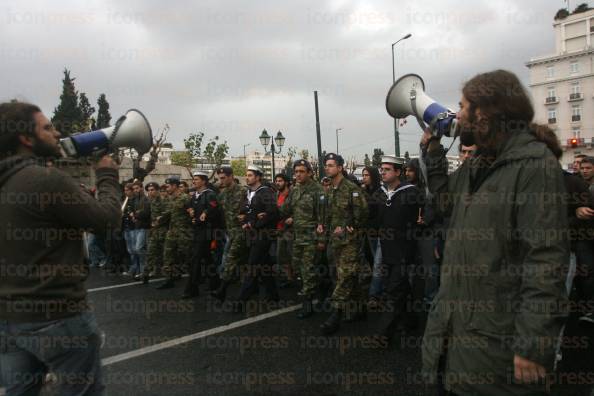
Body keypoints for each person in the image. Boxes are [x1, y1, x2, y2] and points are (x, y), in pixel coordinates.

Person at [420, 70, 569, 395]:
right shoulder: (477, 165)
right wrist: (433, 151)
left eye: (462, 107)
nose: (456, 115)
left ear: (486, 113)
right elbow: (446, 203)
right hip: (455, 330)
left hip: (495, 346)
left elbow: (545, 262)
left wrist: (532, 344)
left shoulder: (534, 166)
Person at [0, 101, 121, 394]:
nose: (56, 134)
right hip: (58, 316)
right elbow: (105, 221)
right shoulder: (44, 179)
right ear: (26, 138)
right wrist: (106, 175)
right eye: (47, 127)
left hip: (8, 319)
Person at [371, 156, 420, 341]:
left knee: (393, 290)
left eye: (387, 169)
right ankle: (410, 319)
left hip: (404, 251)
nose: (382, 171)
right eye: (381, 169)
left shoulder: (412, 192)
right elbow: (371, 217)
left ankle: (383, 333)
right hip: (386, 250)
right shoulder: (379, 193)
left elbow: (426, 214)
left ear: (398, 172)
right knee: (401, 288)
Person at [319, 153, 369, 335]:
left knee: (345, 276)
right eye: (326, 165)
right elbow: (329, 215)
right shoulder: (330, 190)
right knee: (349, 276)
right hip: (335, 242)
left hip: (350, 241)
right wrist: (323, 228)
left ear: (340, 168)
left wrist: (349, 227)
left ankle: (335, 315)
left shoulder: (351, 189)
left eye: (331, 165)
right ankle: (361, 308)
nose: (328, 168)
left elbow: (362, 214)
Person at [279, 160, 325, 319]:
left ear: (310, 173)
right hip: (297, 237)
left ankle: (308, 304)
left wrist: (321, 240)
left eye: (301, 171)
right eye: (296, 171)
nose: (297, 174)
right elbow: (285, 209)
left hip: (311, 238)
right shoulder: (295, 190)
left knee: (307, 269)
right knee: (297, 267)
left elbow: (322, 218)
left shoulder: (318, 191)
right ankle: (322, 290)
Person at [236, 165, 279, 311]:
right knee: (264, 265)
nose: (247, 177)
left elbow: (272, 214)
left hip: (263, 235)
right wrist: (247, 220)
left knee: (252, 266)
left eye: (250, 175)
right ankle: (273, 295)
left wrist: (253, 222)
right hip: (252, 234)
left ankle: (241, 301)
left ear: (258, 177)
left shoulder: (265, 192)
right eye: (246, 175)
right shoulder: (248, 192)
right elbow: (242, 212)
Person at [211, 166, 247, 301]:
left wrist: (245, 216)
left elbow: (252, 208)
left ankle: (222, 290)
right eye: (219, 178)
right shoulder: (222, 194)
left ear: (231, 176)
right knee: (246, 261)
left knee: (230, 259)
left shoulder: (243, 191)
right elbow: (216, 211)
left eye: (223, 178)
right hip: (230, 232)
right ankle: (266, 291)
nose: (221, 181)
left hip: (243, 232)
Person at [184, 171, 220, 298]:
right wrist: (190, 211)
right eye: (194, 179)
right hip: (197, 230)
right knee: (207, 258)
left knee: (196, 259)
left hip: (206, 231)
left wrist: (203, 215)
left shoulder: (210, 194)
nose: (194, 181)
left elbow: (213, 209)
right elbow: (189, 206)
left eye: (197, 179)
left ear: (204, 181)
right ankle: (215, 283)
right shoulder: (195, 195)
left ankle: (191, 289)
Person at [155, 176, 193, 289]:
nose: (166, 188)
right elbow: (169, 213)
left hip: (184, 232)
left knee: (187, 257)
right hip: (172, 231)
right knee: (168, 255)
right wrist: (160, 218)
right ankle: (169, 279)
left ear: (175, 186)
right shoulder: (170, 199)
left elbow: (192, 213)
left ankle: (193, 281)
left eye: (168, 186)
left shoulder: (185, 198)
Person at [361, 166, 383, 304]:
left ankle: (376, 293)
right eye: (363, 175)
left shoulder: (380, 192)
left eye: (367, 175)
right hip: (366, 231)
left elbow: (378, 214)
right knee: (370, 258)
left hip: (377, 232)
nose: (364, 178)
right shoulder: (362, 192)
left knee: (378, 262)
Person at [143, 181, 169, 283]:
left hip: (164, 230)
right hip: (155, 231)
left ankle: (170, 276)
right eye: (149, 190)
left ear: (157, 190)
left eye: (152, 190)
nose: (150, 192)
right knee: (151, 252)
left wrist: (160, 219)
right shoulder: (152, 201)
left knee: (166, 254)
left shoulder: (164, 201)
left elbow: (168, 214)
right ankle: (145, 274)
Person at [274, 173, 294, 288]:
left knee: (293, 255)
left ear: (286, 182)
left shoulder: (292, 193)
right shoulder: (276, 194)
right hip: (280, 229)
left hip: (291, 230)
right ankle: (289, 278)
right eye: (276, 181)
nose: (278, 183)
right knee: (281, 256)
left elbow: (300, 208)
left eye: (280, 181)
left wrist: (293, 218)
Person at [129, 181, 151, 279]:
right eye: (134, 189)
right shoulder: (135, 199)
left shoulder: (146, 199)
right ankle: (144, 270)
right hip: (137, 226)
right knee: (137, 249)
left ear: (141, 188)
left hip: (144, 227)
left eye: (137, 188)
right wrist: (134, 215)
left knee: (139, 248)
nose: (135, 190)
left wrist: (136, 215)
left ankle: (146, 269)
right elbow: (133, 211)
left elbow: (145, 213)